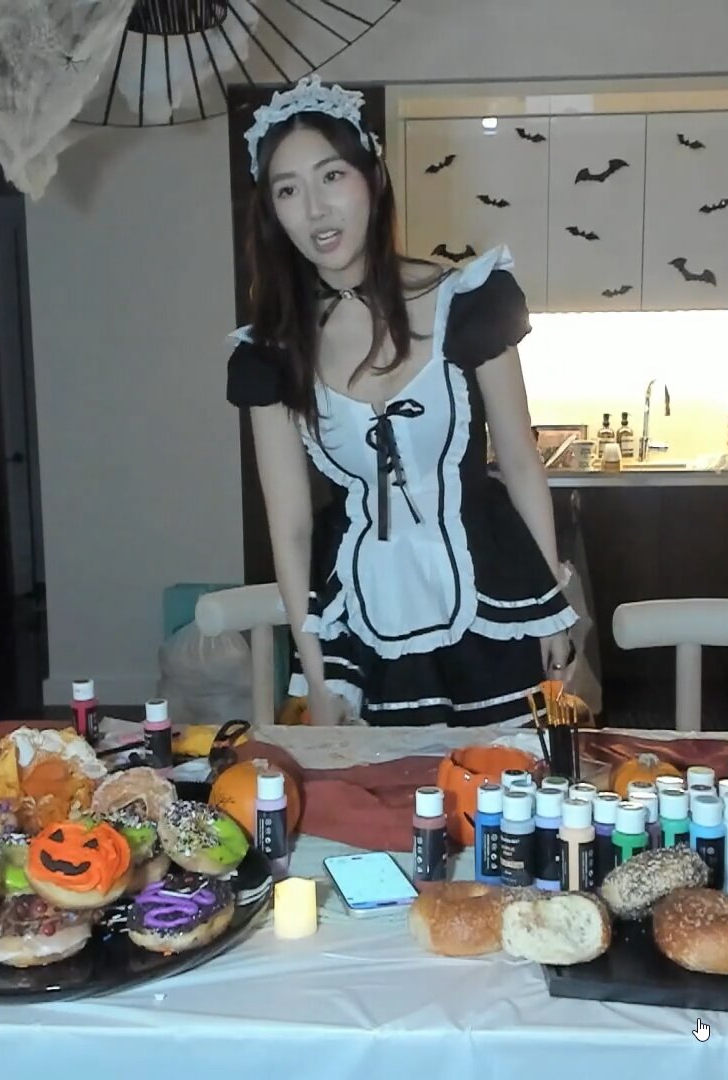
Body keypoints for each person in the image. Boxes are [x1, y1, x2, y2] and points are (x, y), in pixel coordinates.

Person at [226, 76, 576, 727]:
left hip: (492, 602)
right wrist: (313, 670)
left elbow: (521, 462)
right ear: (272, 213)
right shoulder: (269, 354)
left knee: (502, 781)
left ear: (373, 179)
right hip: (361, 621)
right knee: (377, 789)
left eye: (332, 176)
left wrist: (550, 605)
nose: (316, 209)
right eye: (288, 190)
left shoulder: (470, 301)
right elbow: (291, 526)